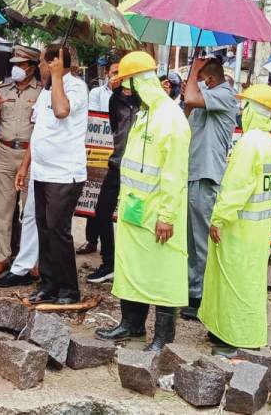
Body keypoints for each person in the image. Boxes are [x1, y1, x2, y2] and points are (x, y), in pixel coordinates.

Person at [94, 51, 190, 352]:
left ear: (140, 83)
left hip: (157, 213)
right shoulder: (145, 114)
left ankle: (163, 338)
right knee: (131, 267)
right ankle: (131, 324)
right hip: (135, 208)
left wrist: (167, 216)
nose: (125, 91)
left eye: (128, 85)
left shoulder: (172, 119)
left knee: (162, 274)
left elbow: (174, 174)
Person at [200, 84, 271, 356]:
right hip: (256, 230)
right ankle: (225, 330)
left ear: (253, 110)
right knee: (247, 281)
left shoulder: (249, 143)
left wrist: (219, 218)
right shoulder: (269, 143)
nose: (241, 111)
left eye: (245, 106)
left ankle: (237, 339)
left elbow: (237, 186)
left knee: (234, 282)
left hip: (238, 227)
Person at [17, 44, 89, 305]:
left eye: (42, 63)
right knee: (44, 229)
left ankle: (69, 289)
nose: (39, 68)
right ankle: (48, 284)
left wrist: (58, 77)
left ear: (54, 64)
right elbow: (39, 132)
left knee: (58, 231)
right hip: (42, 172)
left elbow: (62, 111)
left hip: (64, 173)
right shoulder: (45, 92)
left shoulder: (76, 87)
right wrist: (25, 166)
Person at [179, 56, 239, 321]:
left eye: (200, 80)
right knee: (191, 239)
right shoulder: (206, 97)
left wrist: (193, 71)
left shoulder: (224, 94)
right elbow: (187, 112)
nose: (195, 85)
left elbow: (191, 100)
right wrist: (191, 86)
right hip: (192, 173)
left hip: (207, 176)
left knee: (202, 240)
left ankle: (203, 295)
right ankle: (193, 289)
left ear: (210, 80)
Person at [0, 46, 42, 276]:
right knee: (3, 209)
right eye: (14, 64)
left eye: (22, 64)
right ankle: (2, 257)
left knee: (30, 211)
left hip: (31, 154)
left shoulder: (41, 93)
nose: (16, 68)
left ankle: (31, 261)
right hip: (5, 153)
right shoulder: (3, 89)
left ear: (32, 67)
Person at [84, 57, 140, 285]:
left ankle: (133, 267)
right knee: (102, 212)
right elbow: (116, 128)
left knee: (134, 217)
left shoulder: (146, 101)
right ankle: (109, 264)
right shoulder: (114, 100)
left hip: (139, 170)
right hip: (117, 164)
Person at [79, 54, 121, 257]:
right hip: (97, 150)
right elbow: (95, 120)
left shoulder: (127, 96)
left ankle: (110, 247)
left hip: (116, 152)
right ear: (107, 73)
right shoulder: (96, 93)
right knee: (93, 193)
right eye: (114, 72)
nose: (117, 76)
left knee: (110, 202)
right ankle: (90, 240)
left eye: (121, 73)